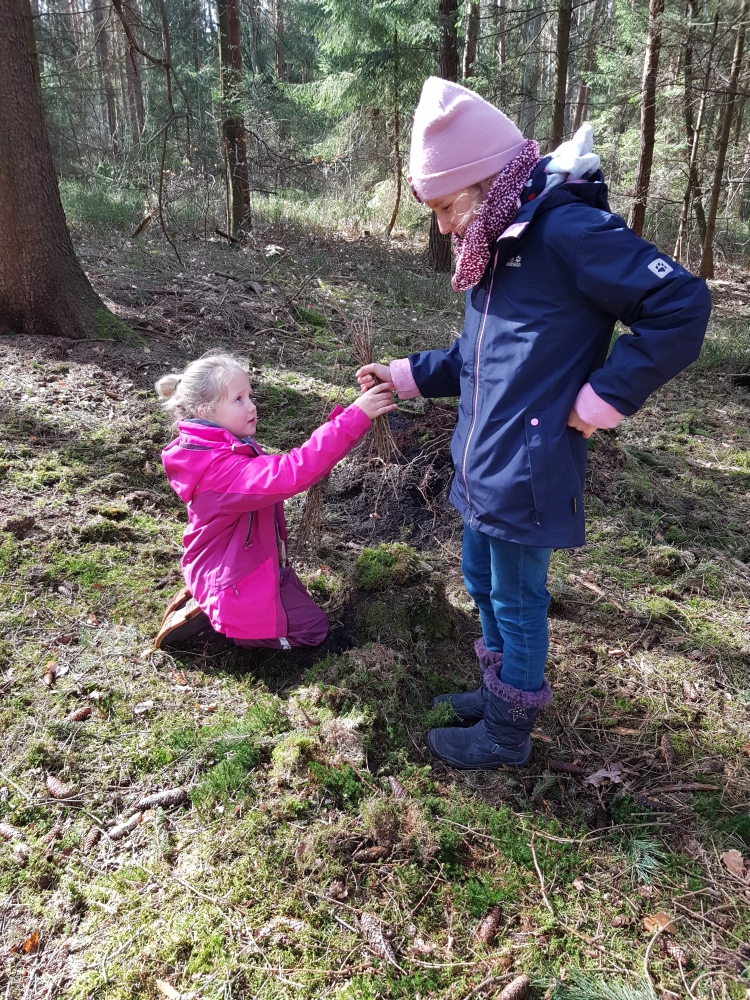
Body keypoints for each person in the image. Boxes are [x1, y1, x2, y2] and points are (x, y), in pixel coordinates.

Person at [357, 77, 711, 770]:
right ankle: (498, 693)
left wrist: (598, 401)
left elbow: (682, 304)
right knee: (479, 579)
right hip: (480, 459)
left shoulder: (565, 229)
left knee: (517, 599)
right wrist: (407, 374)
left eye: (446, 206)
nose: (442, 225)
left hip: (528, 464)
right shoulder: (498, 238)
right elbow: (481, 357)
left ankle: (508, 735)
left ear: (485, 181)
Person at [156, 352, 396, 649]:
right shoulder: (217, 470)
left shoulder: (222, 445)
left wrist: (357, 415)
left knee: (302, 612)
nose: (252, 406)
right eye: (238, 399)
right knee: (313, 630)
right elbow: (291, 472)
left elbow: (299, 466)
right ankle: (221, 624)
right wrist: (355, 416)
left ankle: (218, 603)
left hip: (247, 565)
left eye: (249, 395)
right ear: (206, 409)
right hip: (234, 578)